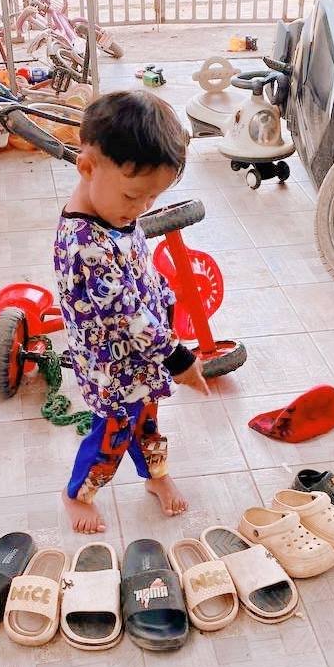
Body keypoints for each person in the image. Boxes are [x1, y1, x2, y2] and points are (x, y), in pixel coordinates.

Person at [53, 90, 209, 534]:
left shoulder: (115, 211)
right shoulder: (85, 245)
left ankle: (156, 477)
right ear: (87, 167)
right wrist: (178, 357)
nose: (141, 209)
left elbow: (139, 270)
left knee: (149, 423)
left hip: (143, 360)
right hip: (114, 368)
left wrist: (165, 299)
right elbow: (127, 317)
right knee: (112, 436)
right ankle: (77, 493)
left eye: (150, 198)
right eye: (134, 196)